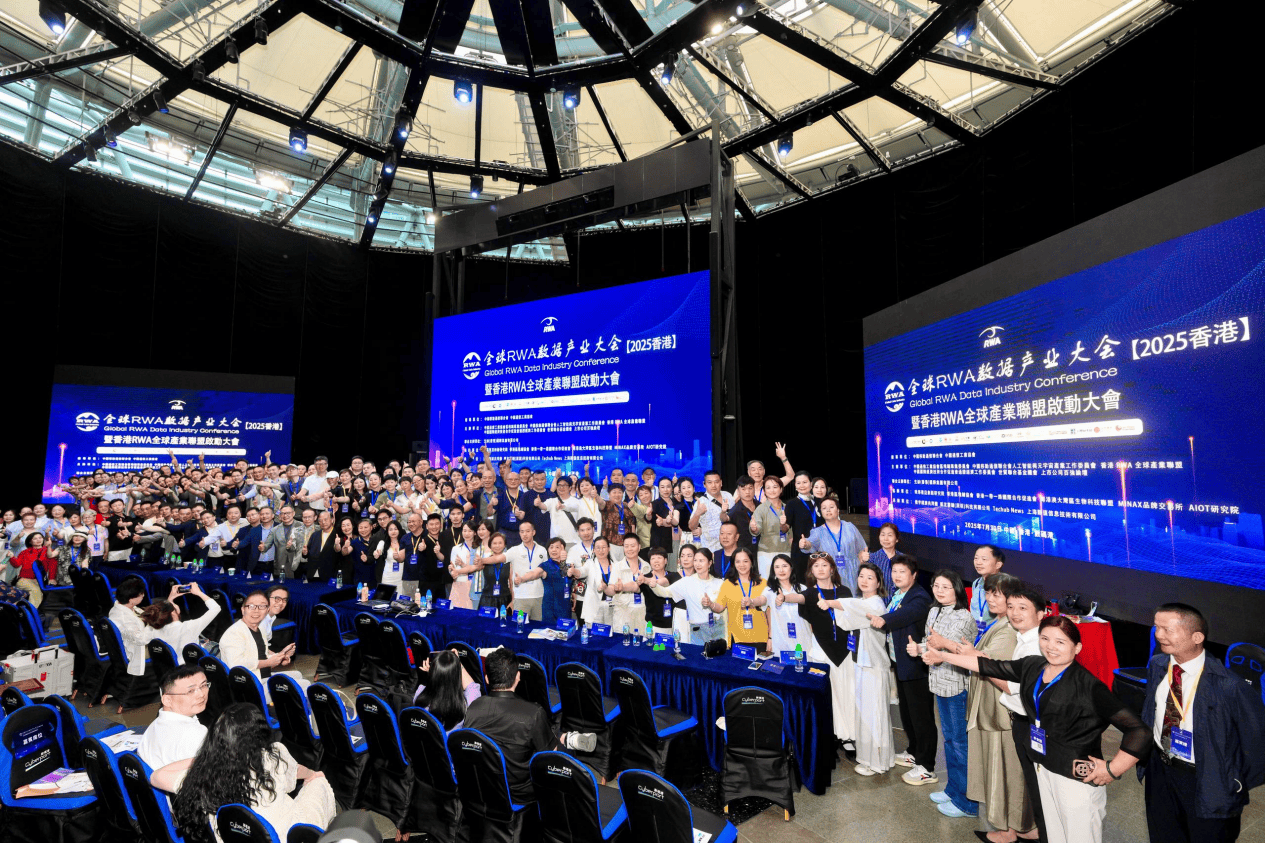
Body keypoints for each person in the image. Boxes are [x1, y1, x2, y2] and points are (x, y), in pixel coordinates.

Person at [923, 616, 1151, 843]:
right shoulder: (1034, 666)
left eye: (1060, 642)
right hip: (1044, 769)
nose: (1051, 647)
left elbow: (1139, 731)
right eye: (1045, 638)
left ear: (1077, 647)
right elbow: (990, 666)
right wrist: (943, 656)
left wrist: (1112, 769)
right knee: (1054, 836)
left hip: (1075, 781)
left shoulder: (1087, 685)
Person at [1138, 603, 1265, 843]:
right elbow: (1149, 713)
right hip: (1161, 770)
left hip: (1207, 779)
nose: (1159, 635)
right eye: (1156, 627)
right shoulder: (1157, 666)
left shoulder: (1229, 685)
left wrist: (1233, 782)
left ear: (1197, 637)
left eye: (1167, 629)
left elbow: (1257, 742)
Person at [932, 571, 1032, 842]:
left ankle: (1010, 828)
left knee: (1004, 771)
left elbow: (990, 665)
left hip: (999, 711)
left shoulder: (1009, 631)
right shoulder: (998, 623)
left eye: (997, 594)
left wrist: (953, 652)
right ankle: (1012, 826)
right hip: (991, 707)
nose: (991, 598)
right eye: (988, 593)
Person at [159, 703, 336, 843]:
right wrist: (313, 774)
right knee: (318, 781)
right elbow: (296, 774)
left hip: (234, 837)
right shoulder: (273, 756)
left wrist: (208, 757)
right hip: (285, 836)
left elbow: (156, 776)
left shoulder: (205, 775)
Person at [462, 648, 597, 801]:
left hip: (485, 787)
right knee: (563, 751)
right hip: (521, 793)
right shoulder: (533, 712)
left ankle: (564, 737)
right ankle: (567, 740)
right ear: (518, 676)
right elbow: (551, 755)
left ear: (487, 679)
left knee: (535, 736)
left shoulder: (473, 708)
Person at [906, 569, 977, 815]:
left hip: (956, 686)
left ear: (956, 589)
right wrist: (919, 648)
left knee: (959, 743)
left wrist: (935, 647)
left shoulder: (964, 616)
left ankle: (968, 802)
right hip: (938, 683)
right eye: (936, 585)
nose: (939, 591)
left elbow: (959, 650)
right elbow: (931, 642)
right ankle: (953, 790)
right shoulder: (934, 610)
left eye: (946, 587)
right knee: (949, 741)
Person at [820, 562, 894, 776]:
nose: (864, 580)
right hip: (862, 664)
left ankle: (878, 762)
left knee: (875, 715)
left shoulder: (875, 604)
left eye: (870, 577)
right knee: (865, 714)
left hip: (874, 666)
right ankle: (870, 758)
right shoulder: (862, 602)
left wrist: (829, 602)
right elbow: (846, 622)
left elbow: (850, 607)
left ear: (878, 583)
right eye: (861, 576)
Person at [867, 554, 935, 784]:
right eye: (894, 571)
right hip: (901, 662)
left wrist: (884, 619)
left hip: (916, 665)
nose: (897, 575)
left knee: (922, 716)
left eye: (902, 572)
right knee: (907, 712)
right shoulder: (898, 594)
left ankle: (927, 766)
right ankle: (914, 752)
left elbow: (905, 614)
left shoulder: (919, 596)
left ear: (914, 575)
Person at [786, 552, 856, 752]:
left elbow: (852, 613)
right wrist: (784, 597)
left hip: (844, 650)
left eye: (824, 565)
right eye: (816, 566)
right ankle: (829, 735)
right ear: (811, 571)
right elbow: (798, 598)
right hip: (821, 650)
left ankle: (848, 736)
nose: (820, 569)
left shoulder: (844, 591)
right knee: (827, 694)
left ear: (832, 569)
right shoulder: (809, 593)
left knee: (846, 692)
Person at [220, 590, 304, 690]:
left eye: (262, 606)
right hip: (247, 684)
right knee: (304, 684)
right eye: (251, 606)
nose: (256, 610)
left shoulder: (260, 629)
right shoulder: (234, 633)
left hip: (261, 676)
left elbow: (261, 656)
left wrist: (281, 656)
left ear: (267, 610)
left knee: (298, 675)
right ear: (243, 610)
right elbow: (235, 665)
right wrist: (268, 663)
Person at [138, 664, 211, 769]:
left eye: (203, 685)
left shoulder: (154, 726)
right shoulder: (196, 734)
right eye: (190, 691)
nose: (201, 694)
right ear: (167, 700)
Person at [108, 578, 176, 681]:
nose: (143, 595)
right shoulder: (124, 618)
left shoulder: (123, 606)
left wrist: (169, 601)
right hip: (137, 651)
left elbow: (145, 616)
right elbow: (142, 640)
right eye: (141, 594)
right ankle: (172, 678)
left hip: (133, 644)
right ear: (131, 599)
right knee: (173, 644)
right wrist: (153, 623)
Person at [800, 498, 870, 593]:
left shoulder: (850, 527)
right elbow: (809, 545)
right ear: (821, 512)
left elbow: (862, 549)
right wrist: (805, 544)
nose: (828, 510)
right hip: (831, 575)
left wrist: (863, 556)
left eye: (831, 507)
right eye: (824, 508)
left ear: (838, 510)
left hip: (853, 573)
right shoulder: (817, 532)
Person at [140, 582, 222, 660]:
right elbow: (216, 608)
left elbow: (144, 638)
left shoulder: (154, 628)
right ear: (173, 613)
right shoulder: (189, 626)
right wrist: (199, 593)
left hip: (171, 664)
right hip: (192, 663)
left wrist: (171, 598)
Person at [712, 547, 768, 649]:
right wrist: (710, 604)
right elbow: (720, 607)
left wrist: (771, 638)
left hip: (761, 637)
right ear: (733, 564)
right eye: (738, 561)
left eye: (745, 561)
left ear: (752, 562)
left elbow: (769, 612)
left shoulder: (763, 583)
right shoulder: (728, 584)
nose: (742, 565)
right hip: (737, 638)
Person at [414, 649, 482, 732]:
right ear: (457, 676)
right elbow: (473, 687)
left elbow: (428, 686)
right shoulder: (464, 706)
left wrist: (433, 673)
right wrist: (459, 664)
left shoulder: (419, 696)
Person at [760, 554, 811, 662]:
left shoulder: (803, 589)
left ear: (791, 568)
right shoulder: (769, 591)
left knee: (803, 668)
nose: (781, 570)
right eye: (777, 567)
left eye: (784, 566)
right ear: (773, 571)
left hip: (803, 639)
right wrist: (751, 601)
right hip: (781, 642)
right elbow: (761, 600)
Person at [669, 546, 725, 645]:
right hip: (697, 629)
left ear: (710, 563)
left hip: (717, 627)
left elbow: (721, 607)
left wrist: (711, 604)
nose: (697, 564)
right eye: (695, 560)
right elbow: (665, 592)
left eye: (701, 561)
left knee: (716, 654)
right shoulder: (687, 581)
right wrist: (649, 582)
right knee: (697, 653)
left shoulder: (719, 582)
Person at [749, 476, 793, 580]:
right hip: (766, 553)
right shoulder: (760, 509)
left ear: (781, 489)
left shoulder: (788, 508)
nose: (772, 490)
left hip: (785, 551)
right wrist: (754, 528)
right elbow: (756, 530)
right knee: (767, 583)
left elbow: (791, 533)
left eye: (775, 487)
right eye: (768, 487)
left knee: (785, 581)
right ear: (764, 491)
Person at [505, 521, 547, 620]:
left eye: (527, 531)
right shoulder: (514, 550)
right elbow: (501, 558)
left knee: (538, 627)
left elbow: (545, 572)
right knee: (519, 625)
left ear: (533, 532)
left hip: (539, 596)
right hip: (520, 597)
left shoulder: (542, 550)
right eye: (522, 531)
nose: (524, 534)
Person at [638, 546, 681, 633]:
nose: (656, 561)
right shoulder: (645, 577)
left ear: (665, 561)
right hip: (652, 625)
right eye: (653, 558)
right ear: (650, 562)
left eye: (659, 558)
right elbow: (634, 587)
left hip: (673, 625)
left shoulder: (673, 576)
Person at [970, 545, 1006, 631]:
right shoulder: (976, 583)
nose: (978, 562)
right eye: (976, 558)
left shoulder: (1004, 586)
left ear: (998, 564)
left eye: (984, 559)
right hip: (974, 631)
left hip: (994, 632)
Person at [446, 520, 480, 609]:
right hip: (459, 584)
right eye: (464, 531)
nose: (467, 534)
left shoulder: (479, 549)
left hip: (475, 586)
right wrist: (452, 573)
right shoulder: (456, 548)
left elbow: (478, 567)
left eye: (470, 531)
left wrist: (462, 564)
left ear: (475, 533)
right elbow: (452, 567)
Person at [11, 533, 52, 607]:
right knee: (36, 591)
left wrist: (52, 578)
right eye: (35, 538)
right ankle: (30, 612)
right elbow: (16, 564)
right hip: (24, 580)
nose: (38, 540)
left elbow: (44, 561)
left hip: (40, 581)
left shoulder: (48, 551)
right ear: (30, 541)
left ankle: (24, 609)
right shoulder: (25, 552)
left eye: (40, 538)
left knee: (42, 593)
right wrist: (12, 557)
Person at [859, 521, 899, 594]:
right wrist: (862, 561)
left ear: (896, 539)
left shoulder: (903, 559)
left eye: (890, 535)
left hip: (899, 599)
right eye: (883, 535)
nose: (886, 539)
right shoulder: (872, 558)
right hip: (879, 599)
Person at [538, 537, 570, 625]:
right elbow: (535, 573)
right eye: (551, 547)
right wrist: (523, 578)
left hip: (565, 607)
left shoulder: (569, 565)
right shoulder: (545, 565)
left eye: (557, 547)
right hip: (549, 608)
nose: (554, 550)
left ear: (563, 549)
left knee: (564, 631)